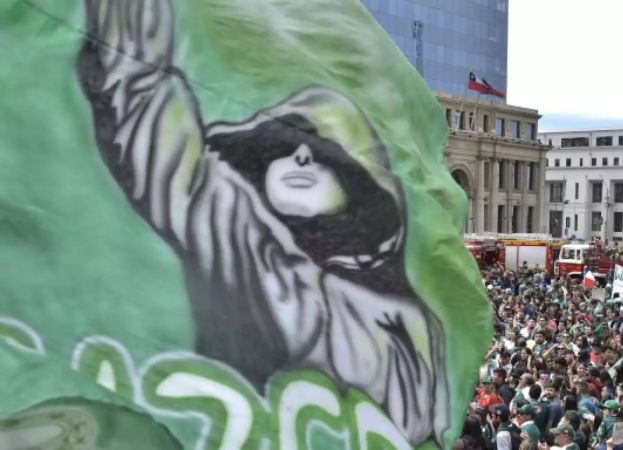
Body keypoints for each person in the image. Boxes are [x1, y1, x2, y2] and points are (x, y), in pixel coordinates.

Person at [77, 0, 449, 444]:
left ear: (360, 189)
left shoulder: (417, 320)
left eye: (324, 153)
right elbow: (144, 106)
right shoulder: (239, 234)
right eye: (282, 144)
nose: (303, 154)